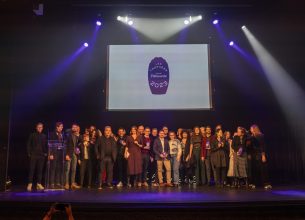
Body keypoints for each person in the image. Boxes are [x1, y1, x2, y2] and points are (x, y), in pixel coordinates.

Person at [250, 125, 272, 190]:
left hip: (260, 154)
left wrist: (263, 155)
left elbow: (262, 146)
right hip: (255, 155)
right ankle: (255, 183)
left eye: (251, 129)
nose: (250, 130)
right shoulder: (252, 136)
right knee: (256, 170)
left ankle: (267, 183)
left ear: (254, 129)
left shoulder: (260, 135)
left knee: (263, 170)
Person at [26, 122, 47, 191]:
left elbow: (45, 146)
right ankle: (30, 184)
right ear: (36, 128)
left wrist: (45, 153)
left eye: (41, 127)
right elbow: (29, 144)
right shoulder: (32, 135)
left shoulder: (44, 136)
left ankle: (39, 184)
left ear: (42, 128)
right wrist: (29, 153)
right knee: (32, 170)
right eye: (38, 127)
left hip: (41, 156)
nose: (40, 128)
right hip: (34, 155)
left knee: (40, 170)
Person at [64, 124, 81, 190]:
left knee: (73, 170)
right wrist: (66, 154)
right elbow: (65, 145)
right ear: (71, 128)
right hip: (69, 154)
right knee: (67, 169)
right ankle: (66, 183)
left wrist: (78, 153)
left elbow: (77, 146)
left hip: (75, 154)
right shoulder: (68, 135)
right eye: (73, 127)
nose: (74, 128)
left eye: (76, 127)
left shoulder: (77, 136)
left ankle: (72, 183)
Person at [48, 122, 65, 189]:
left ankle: (57, 182)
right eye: (61, 126)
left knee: (58, 168)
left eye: (62, 127)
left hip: (60, 154)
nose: (62, 128)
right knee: (53, 168)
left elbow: (63, 143)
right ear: (57, 127)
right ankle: (52, 183)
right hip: (54, 153)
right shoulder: (52, 134)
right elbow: (50, 144)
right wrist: (50, 154)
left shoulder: (62, 134)